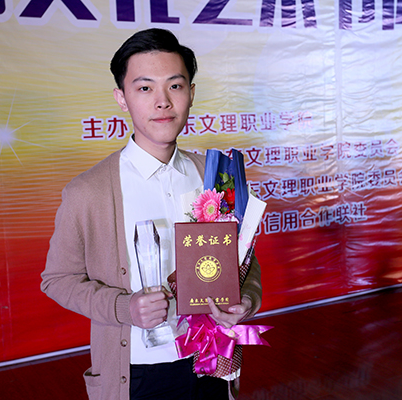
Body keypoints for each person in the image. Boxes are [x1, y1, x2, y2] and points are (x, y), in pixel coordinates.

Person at [41, 28, 262, 400]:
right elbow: (58, 279)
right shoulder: (88, 192)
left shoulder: (216, 176)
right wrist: (124, 307)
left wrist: (247, 300)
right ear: (122, 98)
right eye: (145, 88)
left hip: (211, 360)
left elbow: (243, 260)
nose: (163, 102)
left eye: (175, 86)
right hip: (139, 372)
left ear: (191, 93)